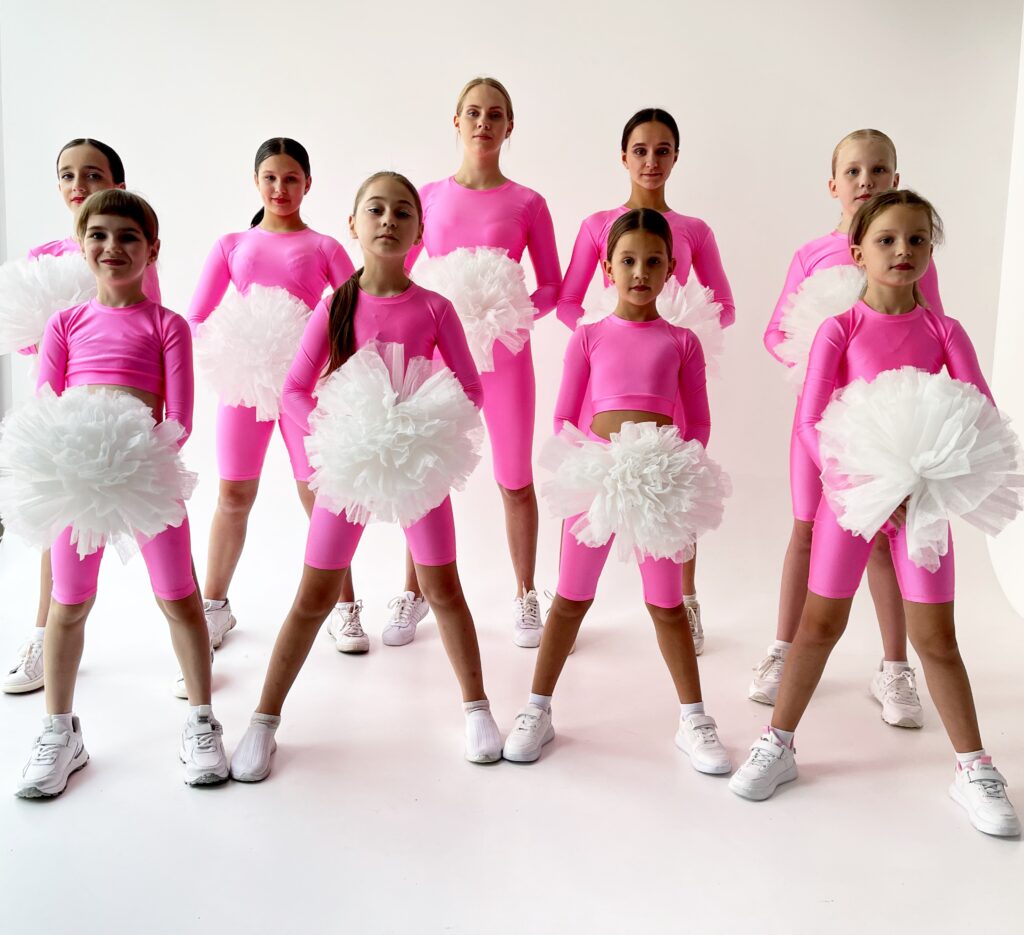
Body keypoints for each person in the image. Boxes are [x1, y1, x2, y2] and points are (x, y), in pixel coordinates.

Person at [730, 190, 1021, 838]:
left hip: (921, 503)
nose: (903, 251)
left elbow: (979, 409)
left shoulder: (945, 331)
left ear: (930, 251)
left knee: (937, 638)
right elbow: (810, 420)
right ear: (858, 252)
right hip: (853, 498)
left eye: (917, 239)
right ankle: (778, 741)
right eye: (887, 239)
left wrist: (927, 480)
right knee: (818, 624)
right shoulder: (841, 329)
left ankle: (974, 766)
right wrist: (859, 481)